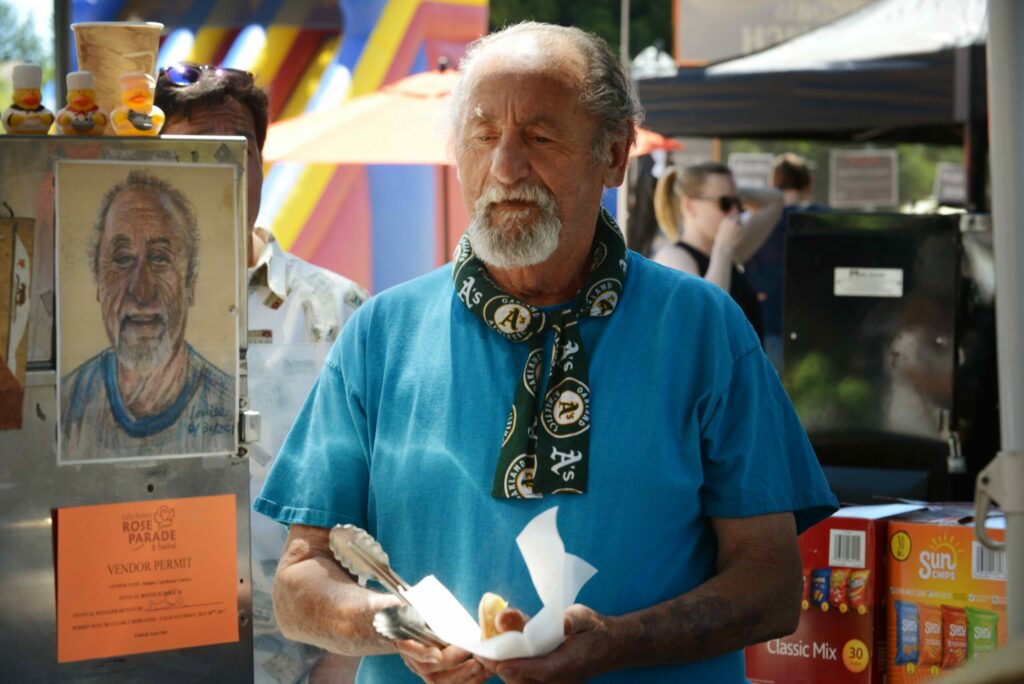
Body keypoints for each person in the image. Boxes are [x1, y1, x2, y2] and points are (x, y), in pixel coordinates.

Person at [255, 22, 837, 684]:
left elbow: (771, 584)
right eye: (482, 137)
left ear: (615, 155)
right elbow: (300, 584)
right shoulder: (381, 334)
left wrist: (619, 642)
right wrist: (393, 622)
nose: (504, 167)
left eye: (539, 137)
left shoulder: (702, 329)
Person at [156, 64, 368, 684]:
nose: (218, 173)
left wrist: (341, 659)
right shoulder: (113, 312)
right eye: (192, 153)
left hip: (301, 666)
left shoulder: (337, 313)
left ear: (262, 164)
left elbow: (377, 495)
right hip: (151, 651)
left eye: (235, 151)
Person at [61, 171, 234, 460]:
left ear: (190, 283)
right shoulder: (67, 404)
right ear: (98, 282)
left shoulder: (228, 406)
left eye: (161, 258)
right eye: (123, 259)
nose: (141, 291)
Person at [651, 162, 783, 343]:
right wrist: (723, 248)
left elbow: (775, 201)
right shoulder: (673, 256)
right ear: (690, 207)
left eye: (737, 203)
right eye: (725, 204)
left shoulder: (731, 251)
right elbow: (705, 317)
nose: (735, 211)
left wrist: (733, 193)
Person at [744, 152, 827, 368]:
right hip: (816, 322)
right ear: (808, 183)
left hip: (766, 321)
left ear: (773, 182)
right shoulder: (824, 220)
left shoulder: (756, 222)